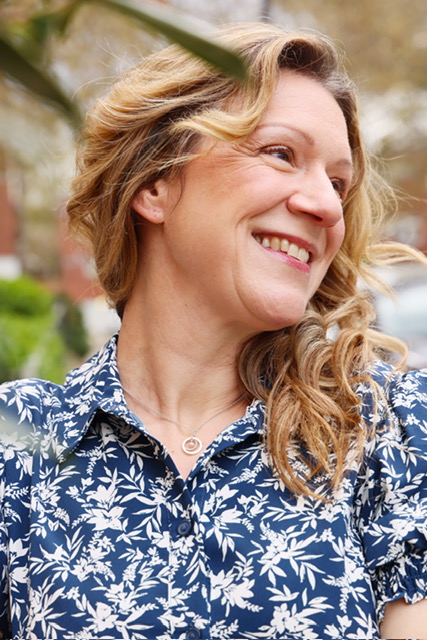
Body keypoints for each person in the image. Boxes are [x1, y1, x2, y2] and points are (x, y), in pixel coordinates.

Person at [1, 21, 427, 640]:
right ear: (154, 182)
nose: (327, 206)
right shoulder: (18, 442)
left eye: (338, 183)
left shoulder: (390, 429)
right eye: (281, 153)